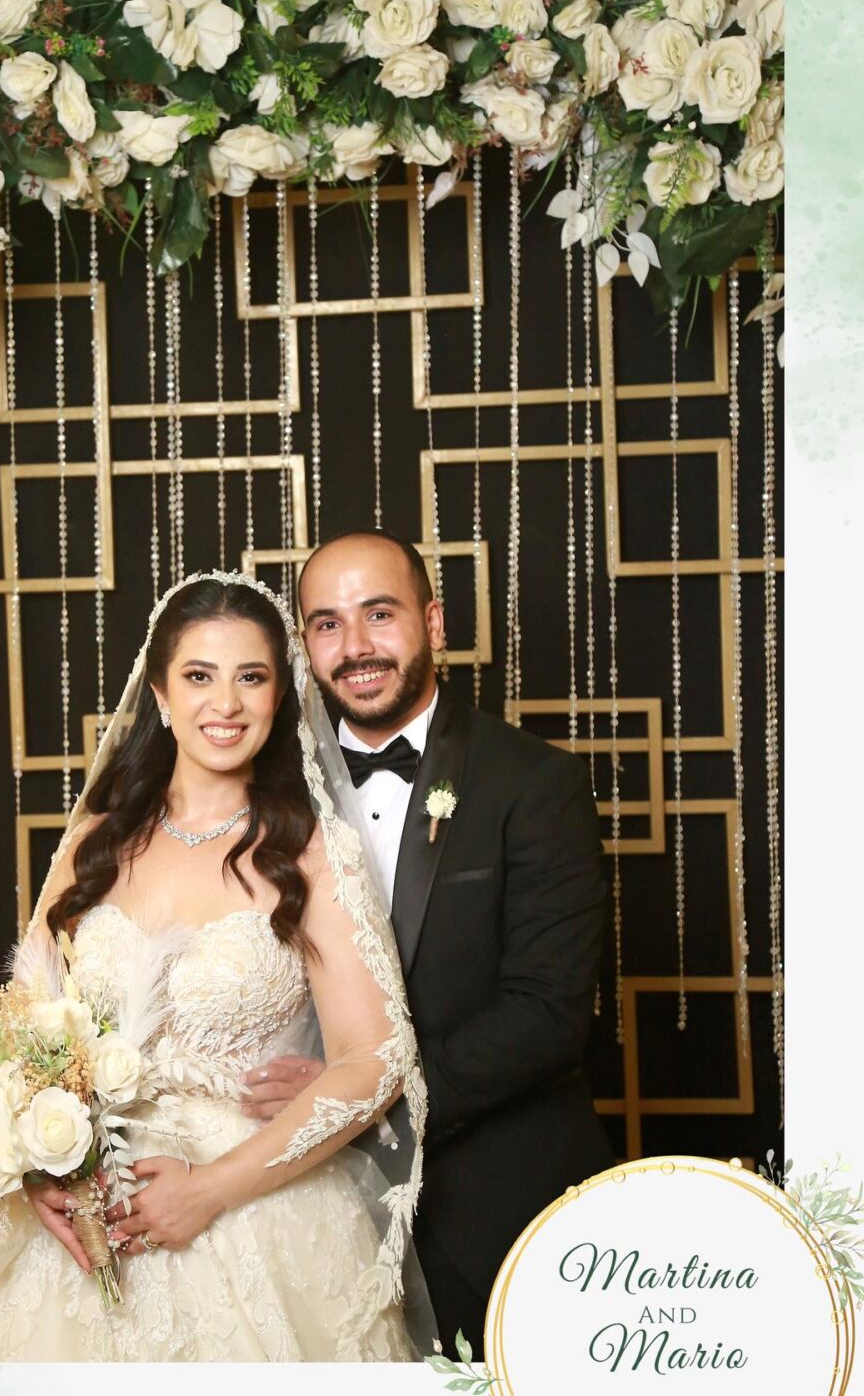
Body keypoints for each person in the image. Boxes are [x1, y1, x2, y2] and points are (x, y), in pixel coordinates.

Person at [0, 572, 433, 1362]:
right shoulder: (95, 842)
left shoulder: (314, 853)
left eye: (251, 677)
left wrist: (210, 1190)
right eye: (199, 676)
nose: (225, 703)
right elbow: (20, 1034)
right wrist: (38, 1166)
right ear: (162, 695)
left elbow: (375, 1059)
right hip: (86, 1208)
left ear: (280, 696)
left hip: (254, 1210)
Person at [242, 530, 615, 1358]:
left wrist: (361, 1098)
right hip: (294, 1214)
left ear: (434, 623)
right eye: (328, 624)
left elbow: (548, 1014)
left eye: (379, 614)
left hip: (491, 1207)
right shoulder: (261, 795)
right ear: (304, 644)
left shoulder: (536, 783)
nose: (356, 647)